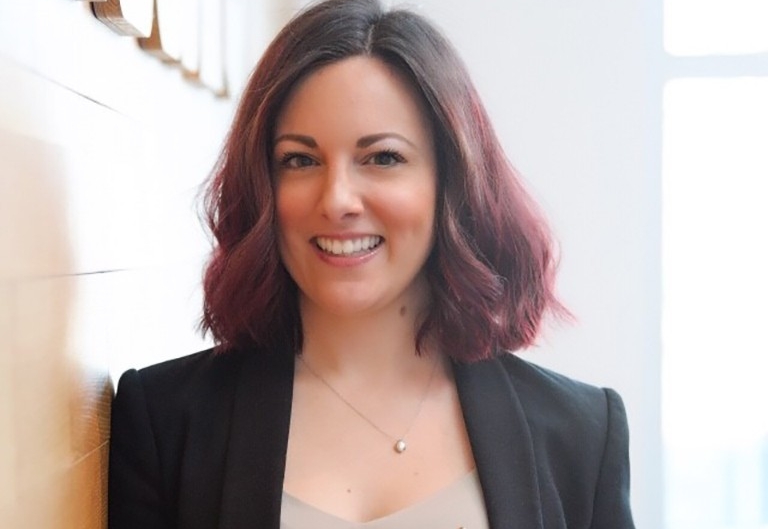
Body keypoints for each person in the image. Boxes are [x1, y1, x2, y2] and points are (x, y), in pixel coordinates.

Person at [108, 0, 636, 527]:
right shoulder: (164, 422)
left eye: (382, 158)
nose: (337, 199)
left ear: (451, 182)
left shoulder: (584, 434)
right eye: (300, 160)